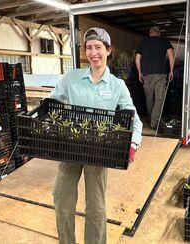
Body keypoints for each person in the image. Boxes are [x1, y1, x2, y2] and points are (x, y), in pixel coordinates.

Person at [50, 27, 143, 244]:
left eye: (98, 47)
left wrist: (133, 144)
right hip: (70, 147)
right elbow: (52, 101)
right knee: (62, 200)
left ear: (108, 50)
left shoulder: (117, 86)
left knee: (96, 207)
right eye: (89, 47)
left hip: (100, 151)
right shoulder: (71, 78)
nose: (94, 53)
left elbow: (134, 119)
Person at [135, 26, 174, 129]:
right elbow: (171, 55)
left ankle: (152, 118)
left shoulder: (143, 42)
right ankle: (154, 122)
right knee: (159, 99)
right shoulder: (164, 41)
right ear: (159, 33)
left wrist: (139, 72)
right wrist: (171, 70)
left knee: (149, 99)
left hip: (147, 75)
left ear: (150, 33)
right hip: (160, 74)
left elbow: (137, 58)